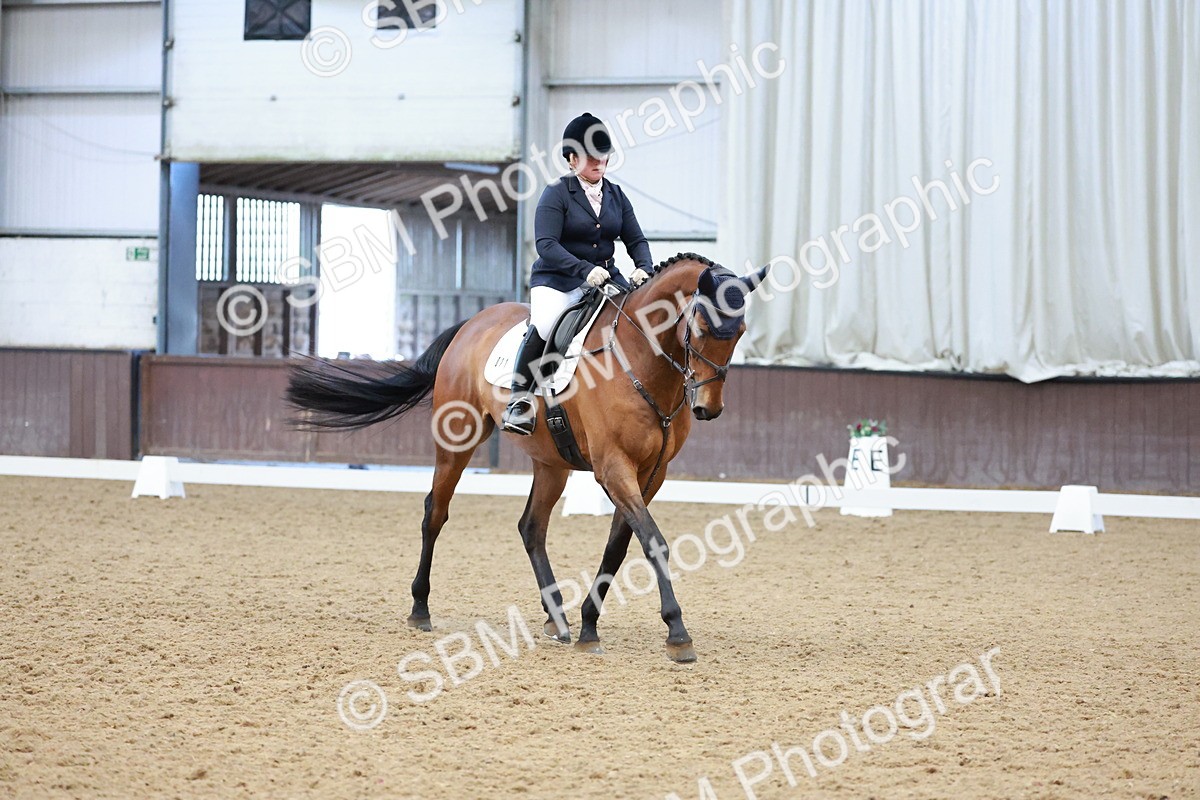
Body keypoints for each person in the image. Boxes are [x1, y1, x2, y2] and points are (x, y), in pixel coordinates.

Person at [501, 113, 655, 435]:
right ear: (572, 159)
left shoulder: (615, 195)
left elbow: (635, 239)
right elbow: (546, 244)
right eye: (591, 157)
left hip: (607, 280)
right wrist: (585, 270)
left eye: (603, 155)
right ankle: (520, 401)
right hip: (558, 280)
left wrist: (644, 268)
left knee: (634, 321)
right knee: (544, 324)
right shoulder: (556, 193)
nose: (599, 162)